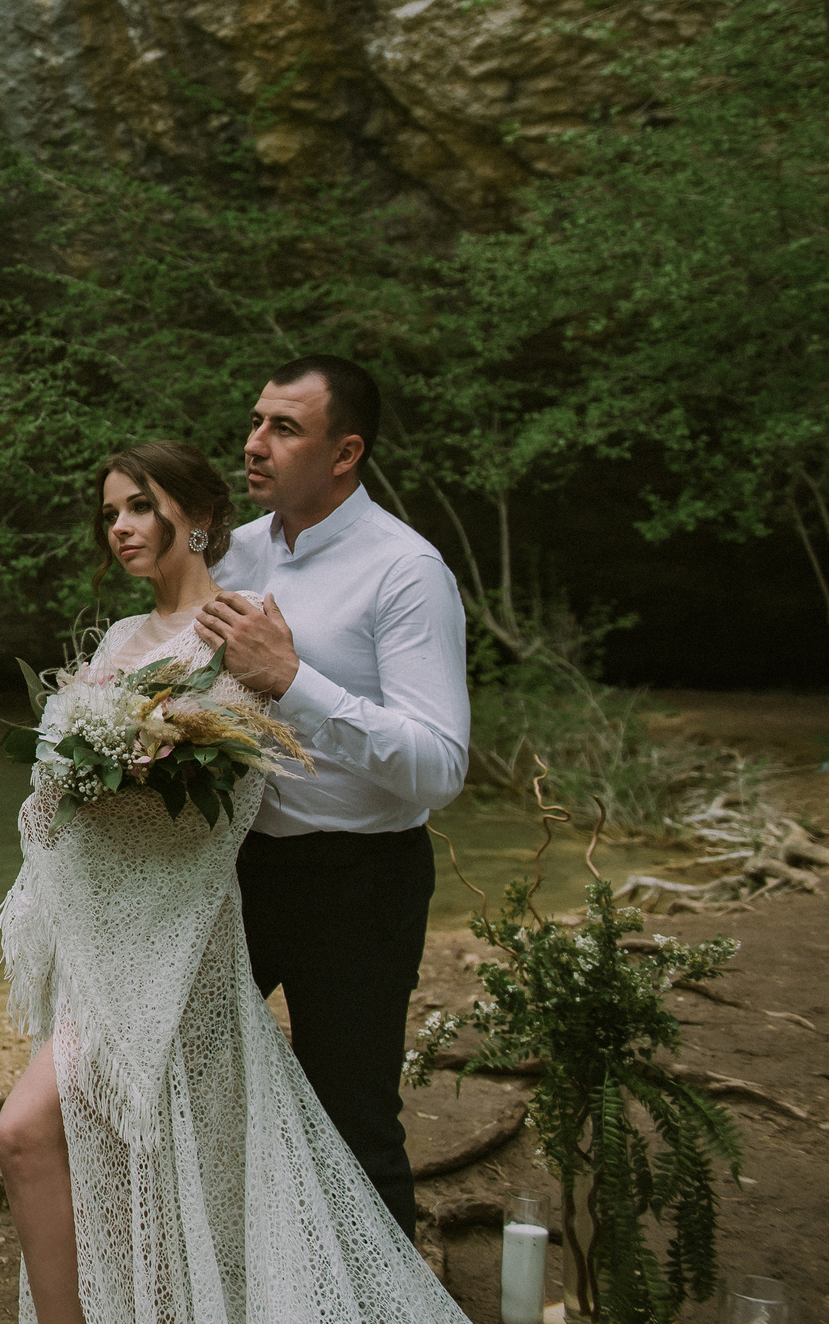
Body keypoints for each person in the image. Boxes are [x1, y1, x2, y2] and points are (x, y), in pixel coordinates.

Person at [0, 438, 466, 1323]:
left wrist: (135, 756)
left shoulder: (242, 631)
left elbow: (221, 789)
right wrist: (77, 768)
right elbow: (54, 797)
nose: (122, 527)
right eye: (111, 513)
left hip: (183, 937)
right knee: (145, 1150)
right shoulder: (124, 637)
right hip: (104, 937)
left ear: (200, 519)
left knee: (26, 1130)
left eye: (140, 506)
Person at [194, 354, 470, 1239]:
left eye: (284, 428)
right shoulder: (231, 551)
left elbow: (439, 767)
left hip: (361, 882)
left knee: (353, 1123)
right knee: (174, 1076)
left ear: (345, 451)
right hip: (230, 870)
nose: (254, 445)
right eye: (254, 422)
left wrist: (294, 679)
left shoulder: (406, 571)